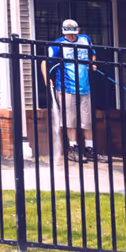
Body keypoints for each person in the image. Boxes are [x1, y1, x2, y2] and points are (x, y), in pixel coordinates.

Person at [47, 19, 97, 160]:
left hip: (84, 87)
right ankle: (73, 149)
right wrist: (47, 79)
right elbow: (45, 62)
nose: (71, 37)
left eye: (73, 34)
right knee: (70, 120)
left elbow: (92, 54)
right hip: (66, 87)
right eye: (68, 35)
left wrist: (92, 63)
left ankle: (89, 148)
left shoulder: (85, 39)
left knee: (87, 121)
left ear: (78, 30)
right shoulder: (57, 45)